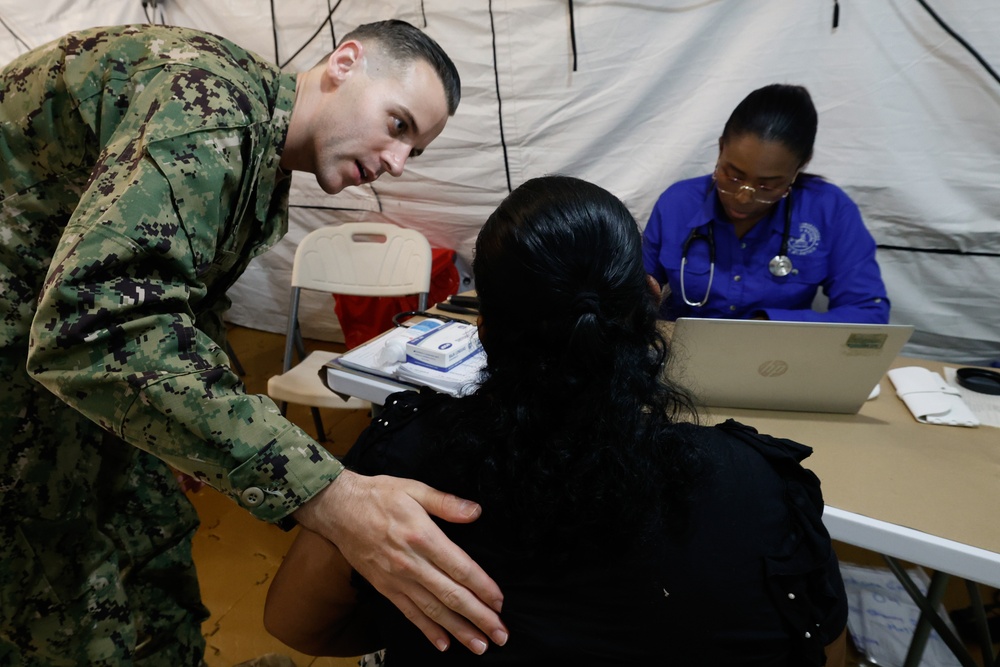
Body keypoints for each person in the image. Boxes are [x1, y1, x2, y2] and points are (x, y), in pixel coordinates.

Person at [0, 20, 509, 664]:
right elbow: (95, 327)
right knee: (60, 593)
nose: (397, 163)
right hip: (26, 351)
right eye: (398, 124)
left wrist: (195, 429)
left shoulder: (257, 148)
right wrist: (329, 494)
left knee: (153, 546)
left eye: (415, 151)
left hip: (55, 341)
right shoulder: (205, 109)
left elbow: (178, 297)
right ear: (344, 62)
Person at [264, 175, 849, 665]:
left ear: (484, 328)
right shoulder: (757, 486)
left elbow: (298, 625)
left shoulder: (402, 472)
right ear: (648, 308)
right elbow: (819, 641)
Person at [643, 83, 890, 323]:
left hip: (779, 359)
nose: (743, 196)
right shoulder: (678, 203)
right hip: (684, 355)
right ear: (720, 149)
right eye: (733, 175)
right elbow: (632, 291)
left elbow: (868, 313)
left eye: (767, 185)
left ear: (800, 167)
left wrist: (767, 324)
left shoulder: (828, 210)